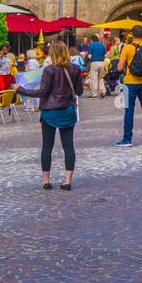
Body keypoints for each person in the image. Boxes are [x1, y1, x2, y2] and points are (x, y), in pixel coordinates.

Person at [15, 41, 84, 189]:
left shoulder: (49, 70)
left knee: (47, 146)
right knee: (68, 147)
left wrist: (21, 90)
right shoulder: (75, 69)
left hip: (50, 112)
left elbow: (42, 93)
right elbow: (79, 92)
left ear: (52, 54)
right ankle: (67, 181)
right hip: (67, 111)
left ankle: (46, 181)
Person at [114, 25, 142, 147]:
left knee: (129, 111)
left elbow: (119, 67)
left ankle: (127, 139)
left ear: (132, 35)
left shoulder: (127, 48)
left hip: (129, 84)